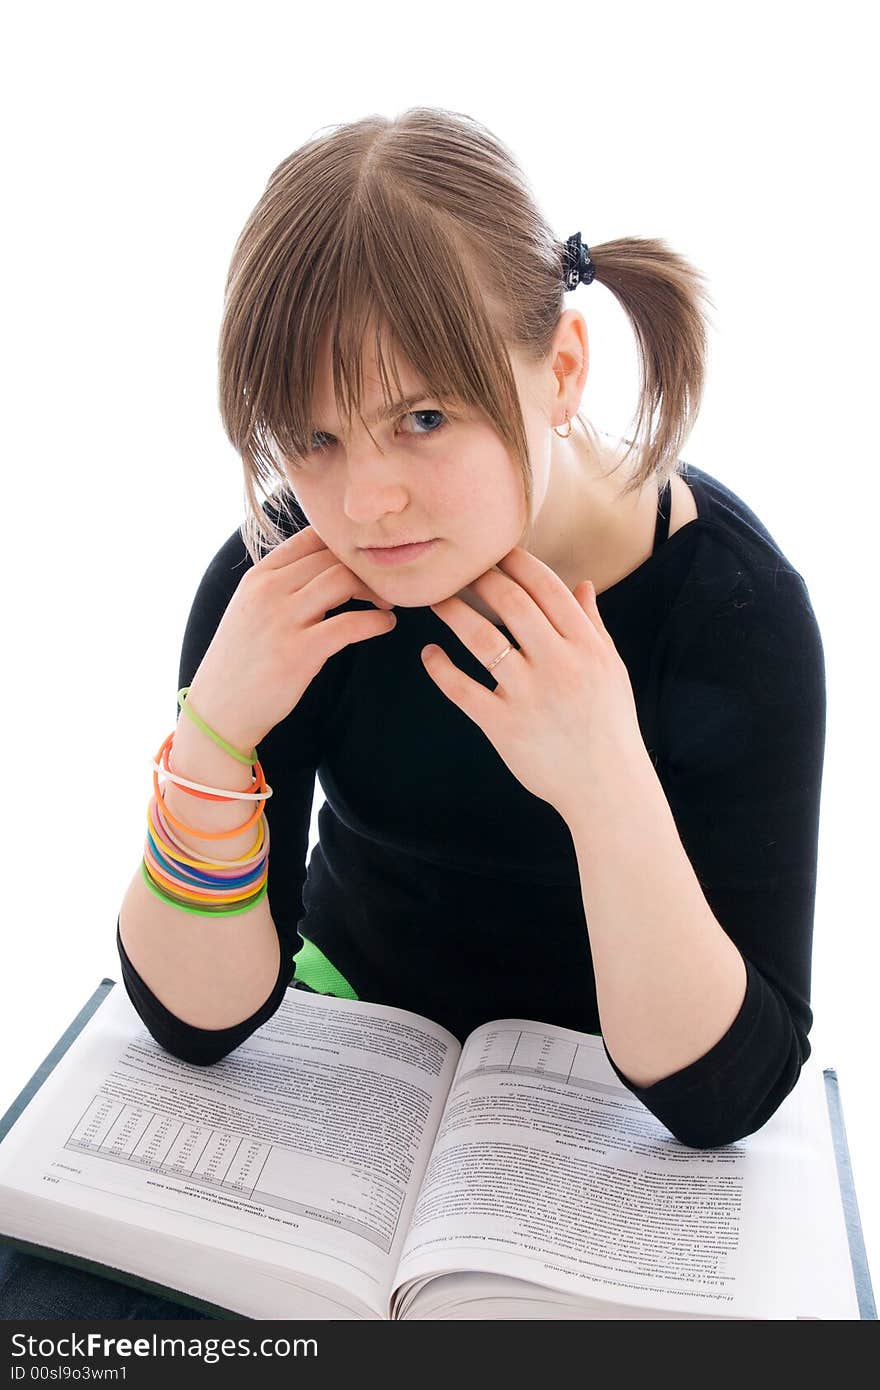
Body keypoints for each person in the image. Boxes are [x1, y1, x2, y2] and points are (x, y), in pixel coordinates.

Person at [0, 107, 826, 1319]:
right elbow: (191, 1015)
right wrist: (216, 731)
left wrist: (602, 775)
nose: (367, 499)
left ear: (560, 373)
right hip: (340, 1059)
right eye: (315, 439)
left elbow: (724, 1093)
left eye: (423, 419)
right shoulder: (282, 576)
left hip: (603, 1121)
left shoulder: (735, 614)